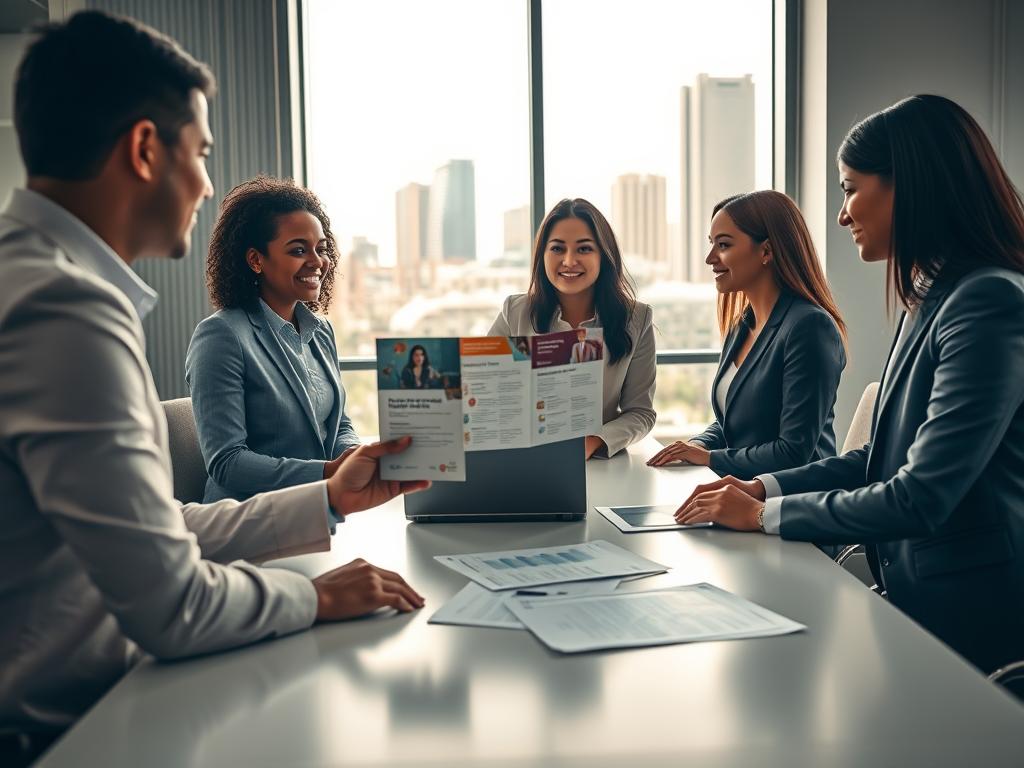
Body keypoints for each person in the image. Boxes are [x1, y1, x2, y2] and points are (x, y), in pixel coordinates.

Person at [0, 12, 427, 761]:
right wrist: (318, 596)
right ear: (143, 149)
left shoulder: (30, 282)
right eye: (199, 153)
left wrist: (329, 495)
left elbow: (156, 529)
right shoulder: (62, 309)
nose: (203, 185)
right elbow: (173, 602)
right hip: (65, 732)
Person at [675, 95, 1024, 673]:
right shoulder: (929, 300)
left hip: (973, 620)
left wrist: (764, 515)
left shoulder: (986, 300)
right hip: (915, 602)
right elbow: (876, 458)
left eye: (849, 188)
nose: (842, 214)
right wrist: (761, 490)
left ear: (907, 186)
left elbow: (921, 494)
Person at [648, 191, 847, 479]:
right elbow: (734, 422)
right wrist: (695, 445)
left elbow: (792, 452)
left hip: (792, 500)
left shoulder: (810, 327)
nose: (710, 258)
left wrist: (709, 458)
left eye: (724, 245)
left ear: (766, 251)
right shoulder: (742, 325)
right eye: (711, 244)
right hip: (743, 492)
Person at [186, 176, 361, 502]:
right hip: (249, 522)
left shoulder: (320, 331)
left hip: (316, 513)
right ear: (256, 260)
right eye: (298, 250)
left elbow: (337, 423)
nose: (317, 262)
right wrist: (327, 473)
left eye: (320, 249)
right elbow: (227, 463)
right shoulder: (220, 336)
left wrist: (355, 456)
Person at [489, 198, 656, 459]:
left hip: (597, 463)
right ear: (542, 255)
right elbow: (485, 391)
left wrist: (595, 441)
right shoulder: (515, 311)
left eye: (584, 249)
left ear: (604, 256)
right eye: (557, 248)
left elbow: (641, 412)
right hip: (523, 458)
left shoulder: (637, 318)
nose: (569, 261)